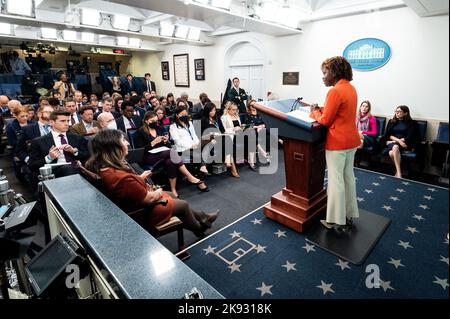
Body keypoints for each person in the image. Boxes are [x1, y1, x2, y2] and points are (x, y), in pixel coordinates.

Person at [85, 129, 218, 237]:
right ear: (114, 148)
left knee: (171, 194)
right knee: (182, 204)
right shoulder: (119, 177)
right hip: (139, 213)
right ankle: (199, 229)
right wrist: (157, 192)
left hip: (129, 205)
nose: (127, 143)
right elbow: (148, 198)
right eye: (123, 140)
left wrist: (140, 179)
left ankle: (202, 217)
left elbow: (126, 188)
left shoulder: (102, 167)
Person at [309, 56, 361, 231]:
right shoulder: (351, 88)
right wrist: (321, 110)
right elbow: (341, 112)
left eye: (325, 73)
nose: (323, 77)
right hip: (351, 140)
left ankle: (334, 220)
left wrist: (314, 112)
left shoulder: (334, 91)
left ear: (334, 72)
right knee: (348, 178)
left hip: (338, 142)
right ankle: (348, 214)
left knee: (335, 180)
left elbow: (324, 121)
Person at [135, 111, 208, 197]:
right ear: (146, 121)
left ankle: (173, 190)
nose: (155, 123)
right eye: (152, 121)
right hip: (149, 156)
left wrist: (166, 141)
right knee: (171, 152)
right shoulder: (140, 132)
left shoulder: (159, 128)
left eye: (156, 120)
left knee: (170, 162)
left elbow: (168, 145)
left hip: (163, 153)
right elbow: (140, 150)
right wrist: (153, 143)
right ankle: (189, 176)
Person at [380, 105, 420, 178]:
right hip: (393, 143)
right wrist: (398, 141)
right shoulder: (392, 121)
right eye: (396, 111)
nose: (397, 113)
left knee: (391, 153)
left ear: (405, 113)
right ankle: (399, 173)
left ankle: (397, 171)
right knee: (395, 146)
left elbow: (409, 137)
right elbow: (388, 135)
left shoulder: (412, 123)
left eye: (399, 111)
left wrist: (396, 142)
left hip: (405, 143)